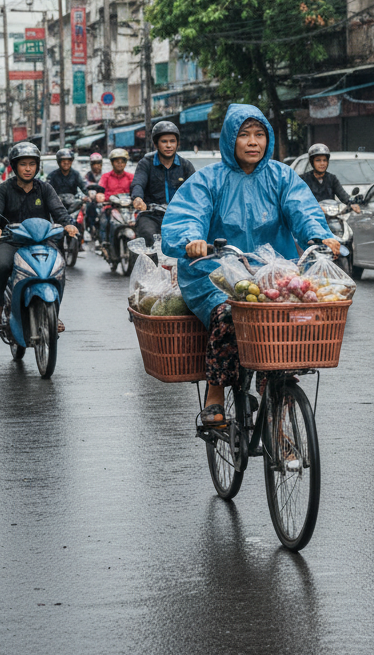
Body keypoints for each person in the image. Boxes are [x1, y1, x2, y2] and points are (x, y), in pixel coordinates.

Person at [161, 104, 340, 427]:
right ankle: (215, 392)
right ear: (231, 139)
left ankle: (278, 408)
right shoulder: (208, 179)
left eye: (259, 134)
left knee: (293, 316)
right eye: (245, 135)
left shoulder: (282, 176)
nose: (253, 142)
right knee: (228, 315)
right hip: (213, 273)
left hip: (271, 272)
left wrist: (319, 236)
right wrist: (192, 239)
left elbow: (303, 210)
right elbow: (188, 214)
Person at [0, 142, 77, 332]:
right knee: (1, 264)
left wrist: (68, 223)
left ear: (37, 166)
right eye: (23, 164)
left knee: (58, 267)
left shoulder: (45, 188)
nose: (28, 169)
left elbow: (58, 210)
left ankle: (54, 310)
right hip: (11, 240)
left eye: (32, 164)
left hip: (41, 241)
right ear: (14, 166)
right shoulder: (4, 189)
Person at [131, 121, 195, 248]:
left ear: (178, 144)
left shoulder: (186, 166)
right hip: (151, 215)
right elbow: (138, 183)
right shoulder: (146, 163)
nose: (169, 145)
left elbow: (197, 190)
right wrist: (138, 198)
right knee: (148, 236)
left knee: (192, 241)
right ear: (156, 144)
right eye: (164, 141)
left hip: (179, 217)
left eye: (172, 141)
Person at [299, 144, 361, 212]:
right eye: (318, 160)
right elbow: (298, 199)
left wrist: (352, 204)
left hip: (330, 216)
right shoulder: (302, 179)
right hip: (309, 216)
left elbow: (343, 196)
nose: (322, 163)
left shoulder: (332, 179)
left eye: (324, 160)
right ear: (312, 162)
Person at [96, 148, 133, 253]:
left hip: (128, 208)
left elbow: (137, 190)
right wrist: (100, 196)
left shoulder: (130, 177)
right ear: (112, 163)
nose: (120, 164)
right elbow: (100, 190)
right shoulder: (106, 177)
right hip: (110, 207)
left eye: (122, 161)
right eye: (117, 161)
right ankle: (104, 244)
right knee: (104, 221)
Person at [83, 153, 105, 239]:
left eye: (98, 164)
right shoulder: (88, 175)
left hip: (104, 199)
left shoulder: (105, 175)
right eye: (94, 164)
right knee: (89, 206)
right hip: (92, 198)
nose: (96, 166)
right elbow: (84, 185)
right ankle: (91, 226)